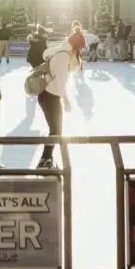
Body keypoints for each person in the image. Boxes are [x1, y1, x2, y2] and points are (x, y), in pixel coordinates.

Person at [36, 33, 83, 169]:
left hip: (48, 95)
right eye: (80, 48)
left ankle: (46, 158)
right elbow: (61, 82)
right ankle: (44, 160)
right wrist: (66, 100)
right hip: (50, 96)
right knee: (56, 130)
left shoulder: (61, 52)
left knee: (55, 130)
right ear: (75, 47)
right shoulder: (63, 57)